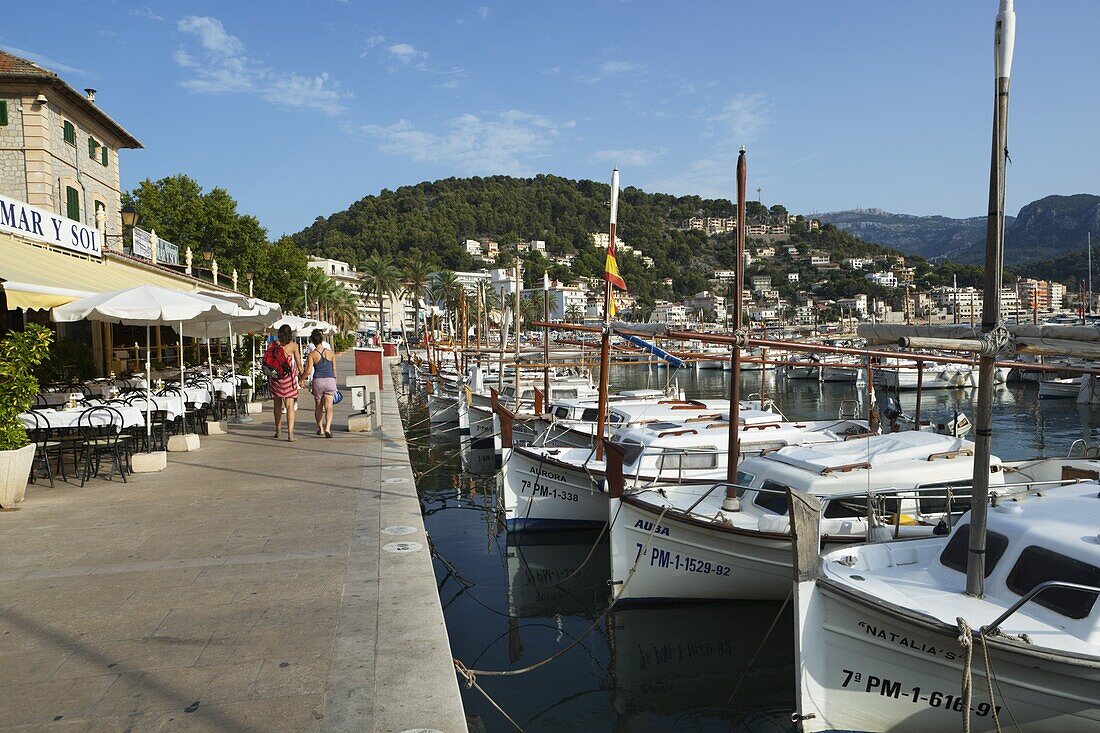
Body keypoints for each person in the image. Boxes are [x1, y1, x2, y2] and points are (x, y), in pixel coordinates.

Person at [301, 329, 338, 437]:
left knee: (318, 406)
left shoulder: (312, 354)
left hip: (318, 381)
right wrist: (335, 381)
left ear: (312, 341)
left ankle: (321, 429)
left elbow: (308, 371)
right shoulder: (330, 353)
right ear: (322, 340)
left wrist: (301, 379)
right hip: (330, 380)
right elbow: (334, 369)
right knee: (329, 407)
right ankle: (328, 429)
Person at [269, 324, 302, 441]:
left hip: (276, 379)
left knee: (277, 405)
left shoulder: (272, 344)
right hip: (289, 379)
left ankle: (278, 430)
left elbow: (268, 361)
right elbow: (298, 364)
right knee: (290, 406)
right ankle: (290, 433)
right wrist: (302, 378)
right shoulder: (293, 346)